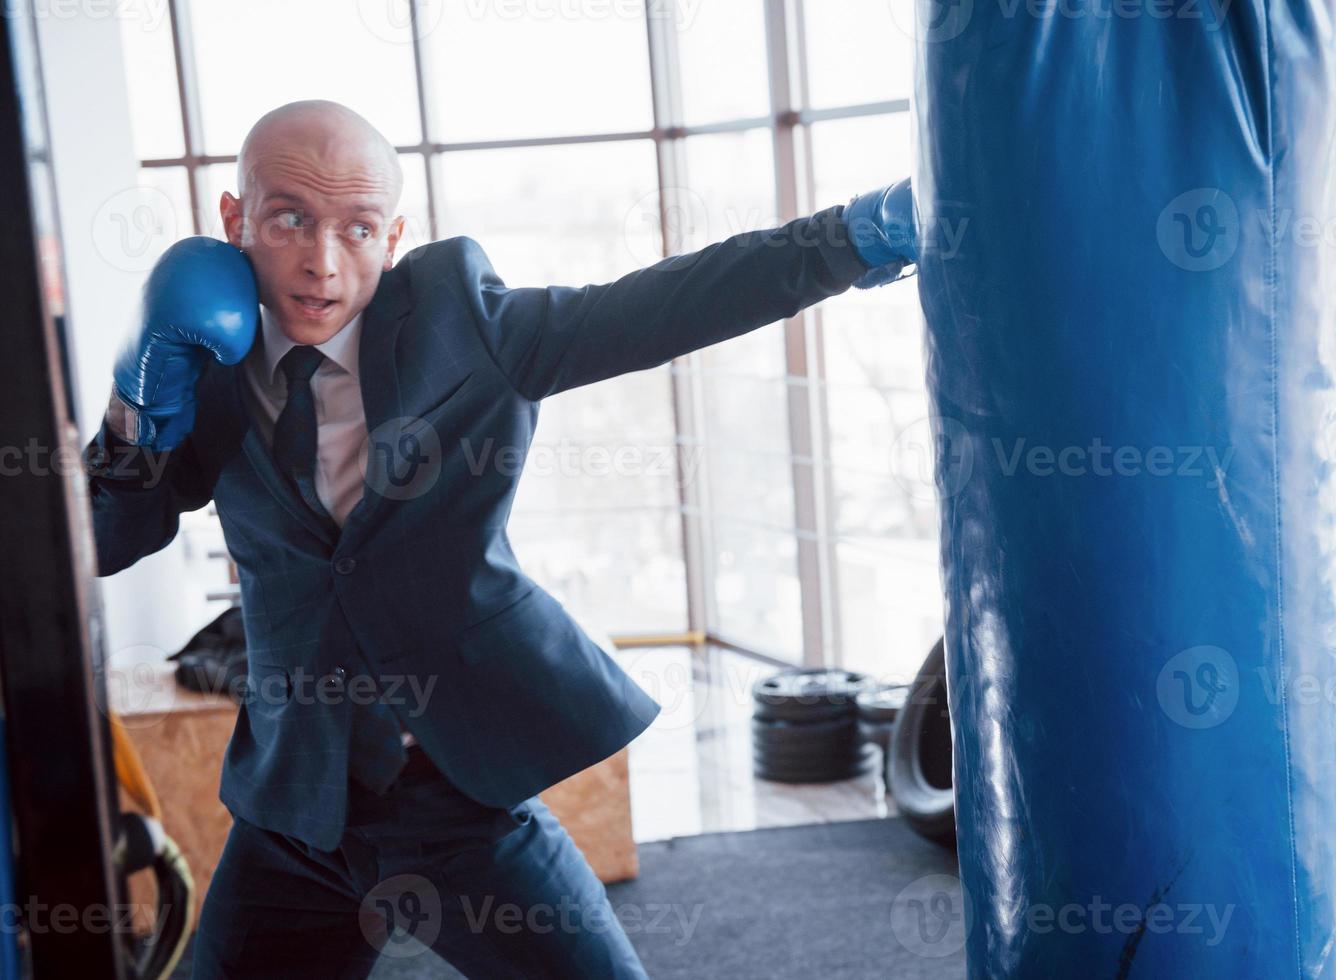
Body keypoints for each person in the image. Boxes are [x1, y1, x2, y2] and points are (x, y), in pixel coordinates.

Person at [88, 99, 918, 978]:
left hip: (452, 795)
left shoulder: (465, 328)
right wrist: (137, 416)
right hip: (295, 806)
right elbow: (100, 545)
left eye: (358, 228)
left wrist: (852, 239)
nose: (322, 262)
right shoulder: (204, 363)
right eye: (289, 218)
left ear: (394, 237)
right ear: (234, 218)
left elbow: (658, 307)